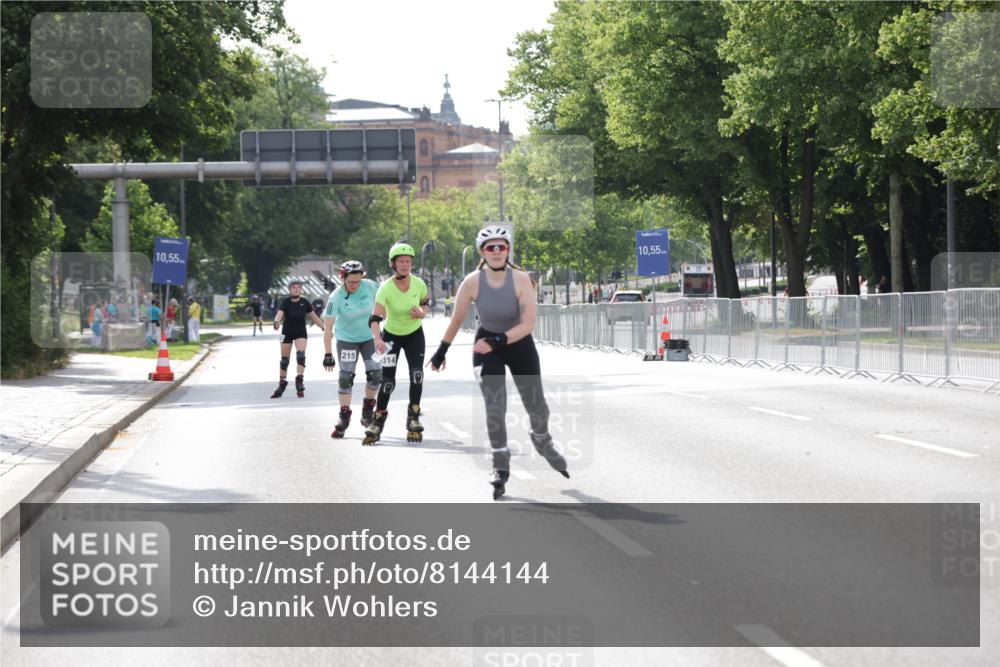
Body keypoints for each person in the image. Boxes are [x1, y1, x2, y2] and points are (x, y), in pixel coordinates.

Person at [428, 225, 570, 500]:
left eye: (501, 247)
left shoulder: (521, 279)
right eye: (490, 247)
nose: (496, 252)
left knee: (537, 406)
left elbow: (528, 324)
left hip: (518, 343)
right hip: (486, 347)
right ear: (482, 252)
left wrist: (499, 340)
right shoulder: (471, 282)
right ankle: (500, 466)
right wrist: (441, 350)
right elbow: (456, 319)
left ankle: (541, 438)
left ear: (507, 251)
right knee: (495, 408)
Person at [362, 242, 430, 445]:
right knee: (388, 381)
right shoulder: (386, 288)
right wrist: (378, 339)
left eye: (408, 262)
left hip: (414, 335)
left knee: (417, 375)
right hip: (391, 336)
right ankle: (378, 418)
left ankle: (413, 416)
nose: (405, 265)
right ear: (393, 264)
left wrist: (422, 314)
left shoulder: (419, 284)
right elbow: (374, 318)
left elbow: (425, 305)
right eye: (401, 261)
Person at [323, 260, 381, 438]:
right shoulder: (336, 297)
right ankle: (344, 416)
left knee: (375, 376)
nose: (355, 285)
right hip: (347, 340)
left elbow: (387, 300)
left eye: (358, 281)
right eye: (351, 282)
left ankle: (368, 409)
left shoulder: (370, 286)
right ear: (343, 278)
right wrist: (328, 353)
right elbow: (328, 329)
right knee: (346, 377)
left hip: (370, 338)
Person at [271, 281, 325, 398]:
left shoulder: (305, 302)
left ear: (301, 290)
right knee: (284, 361)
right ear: (289, 290)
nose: (296, 289)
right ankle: (282, 383)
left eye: (298, 288)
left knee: (301, 356)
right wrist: (276, 322)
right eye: (293, 287)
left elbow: (314, 316)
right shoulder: (285, 302)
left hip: (300, 332)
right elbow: (279, 314)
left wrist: (323, 326)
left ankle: (299, 380)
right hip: (286, 333)